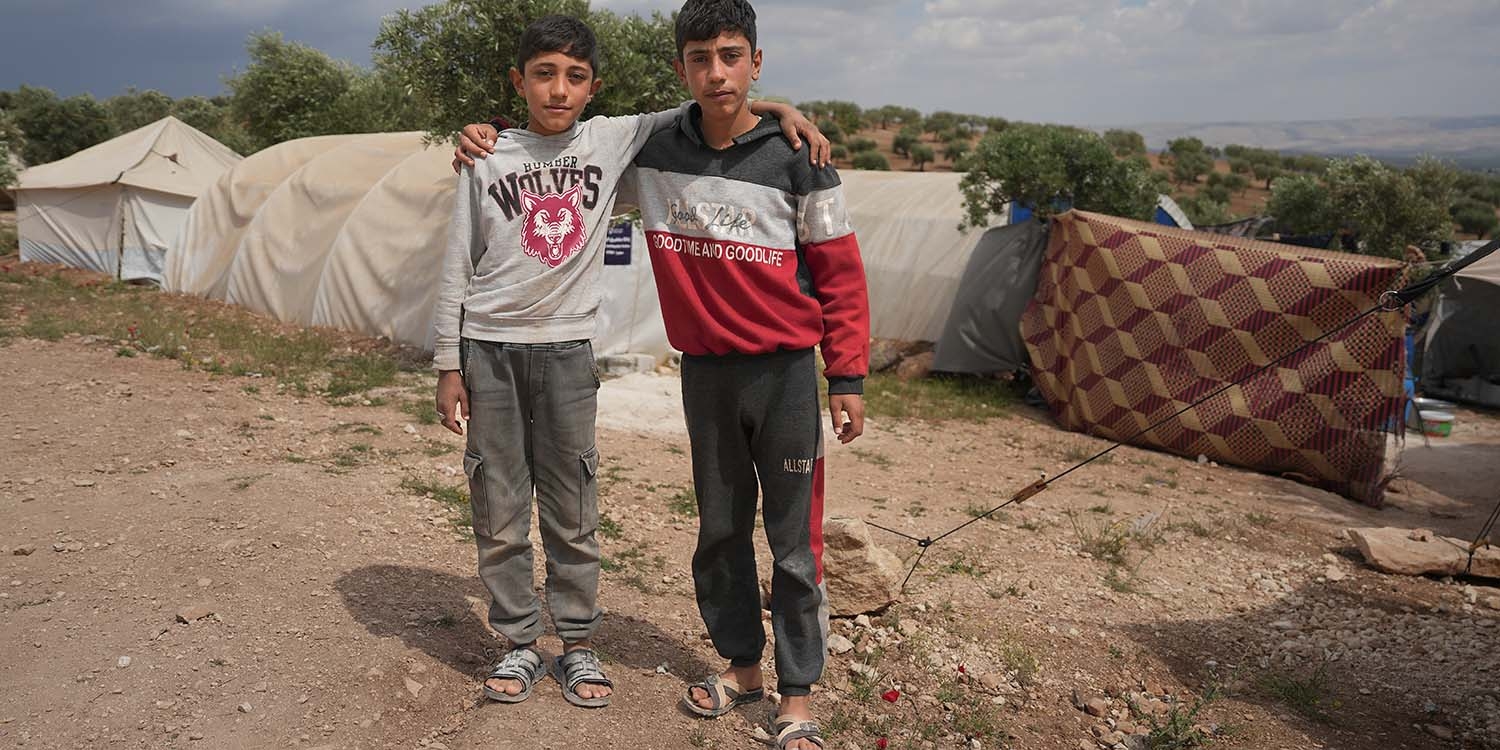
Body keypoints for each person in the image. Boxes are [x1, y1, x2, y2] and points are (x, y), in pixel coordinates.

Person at [457, 2, 868, 745]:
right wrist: (479, 137)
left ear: (757, 62)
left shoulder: (799, 158)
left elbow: (840, 275)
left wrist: (847, 376)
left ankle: (797, 696)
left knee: (794, 542)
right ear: (681, 68)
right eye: (701, 58)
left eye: (734, 56)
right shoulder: (653, 154)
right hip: (705, 375)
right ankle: (743, 669)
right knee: (718, 532)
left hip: (784, 377)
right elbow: (555, 162)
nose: (718, 73)